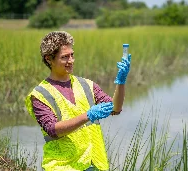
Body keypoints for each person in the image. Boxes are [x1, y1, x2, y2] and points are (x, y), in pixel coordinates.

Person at [25, 31, 131, 171]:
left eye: (72, 55)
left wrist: (121, 82)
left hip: (94, 164)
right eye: (65, 57)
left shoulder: (87, 85)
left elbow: (115, 109)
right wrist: (88, 115)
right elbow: (53, 130)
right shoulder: (39, 94)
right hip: (61, 166)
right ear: (49, 59)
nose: (71, 61)